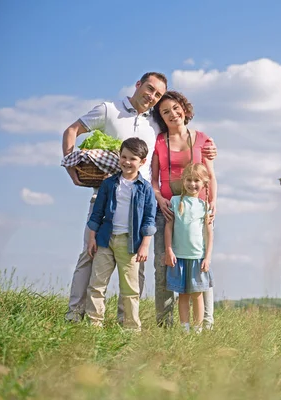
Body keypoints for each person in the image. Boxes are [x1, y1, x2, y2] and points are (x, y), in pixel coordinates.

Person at [61, 72, 218, 323]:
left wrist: (210, 149)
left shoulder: (156, 124)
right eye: (150, 89)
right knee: (91, 255)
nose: (152, 96)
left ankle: (129, 322)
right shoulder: (110, 110)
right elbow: (72, 130)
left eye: (157, 94)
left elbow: (199, 155)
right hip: (112, 198)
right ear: (138, 85)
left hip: (147, 203)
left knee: (142, 264)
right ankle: (75, 315)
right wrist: (70, 164)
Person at [151, 91, 217, 328]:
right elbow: (154, 179)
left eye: (175, 108)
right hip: (168, 210)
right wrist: (159, 197)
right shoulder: (158, 141)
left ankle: (205, 324)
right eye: (165, 112)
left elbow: (210, 175)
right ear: (160, 117)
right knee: (165, 267)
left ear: (184, 108)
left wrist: (213, 204)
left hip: (198, 211)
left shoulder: (200, 139)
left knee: (201, 269)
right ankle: (166, 323)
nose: (172, 114)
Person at [84, 138, 157, 330]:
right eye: (123, 157)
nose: (126, 162)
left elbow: (149, 219)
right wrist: (92, 239)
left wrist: (145, 245)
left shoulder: (145, 188)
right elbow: (97, 213)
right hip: (105, 241)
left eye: (132, 158)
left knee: (130, 289)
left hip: (130, 243)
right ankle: (94, 324)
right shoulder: (108, 184)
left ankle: (131, 328)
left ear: (142, 161)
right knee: (97, 284)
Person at [164, 163, 214, 333]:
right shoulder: (175, 201)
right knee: (182, 295)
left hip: (198, 258)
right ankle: (184, 327)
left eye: (197, 181)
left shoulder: (205, 206)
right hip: (179, 257)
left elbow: (209, 234)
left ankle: (197, 329)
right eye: (189, 180)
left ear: (204, 183)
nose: (193, 184)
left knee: (197, 295)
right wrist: (169, 249)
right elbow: (168, 227)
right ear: (183, 181)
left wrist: (207, 257)